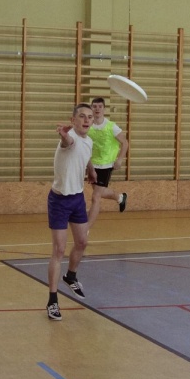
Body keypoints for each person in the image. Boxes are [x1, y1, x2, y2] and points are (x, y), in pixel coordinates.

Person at [46, 103, 97, 321]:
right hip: (59, 201)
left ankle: (71, 276)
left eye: (90, 117)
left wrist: (92, 170)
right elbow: (68, 143)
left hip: (77, 199)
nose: (86, 120)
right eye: (82, 116)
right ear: (73, 120)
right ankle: (52, 300)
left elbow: (85, 155)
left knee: (82, 242)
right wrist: (63, 134)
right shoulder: (69, 139)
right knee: (58, 250)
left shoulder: (89, 141)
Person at [86, 98, 128, 227]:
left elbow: (125, 143)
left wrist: (119, 159)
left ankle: (85, 230)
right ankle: (120, 197)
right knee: (100, 192)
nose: (97, 108)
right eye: (94, 106)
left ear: (104, 109)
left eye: (100, 106)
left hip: (106, 165)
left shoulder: (112, 127)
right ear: (91, 109)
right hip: (92, 165)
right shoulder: (88, 126)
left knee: (95, 197)